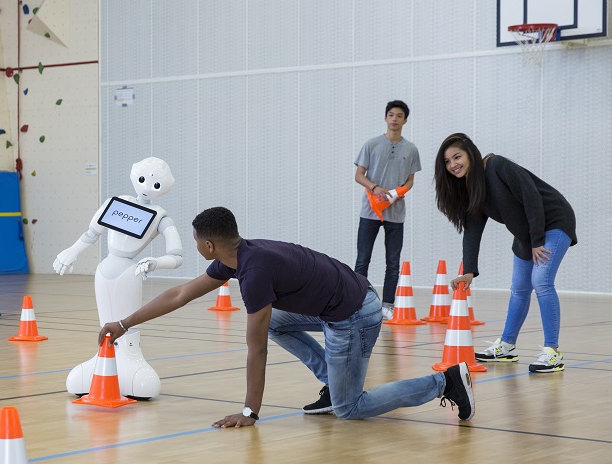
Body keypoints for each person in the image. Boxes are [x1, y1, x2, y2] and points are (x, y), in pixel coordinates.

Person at [98, 207, 474, 427]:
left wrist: (250, 410)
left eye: (197, 241)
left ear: (208, 245)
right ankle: (333, 378)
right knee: (277, 322)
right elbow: (179, 294)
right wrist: (124, 323)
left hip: (356, 315)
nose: (197, 246)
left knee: (349, 408)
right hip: (345, 301)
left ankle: (444, 383)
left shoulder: (254, 273)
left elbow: (255, 349)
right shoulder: (241, 255)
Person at [434, 133, 577, 373]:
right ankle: (507, 346)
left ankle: (552, 352)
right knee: (520, 288)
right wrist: (469, 271)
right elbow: (472, 231)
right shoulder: (472, 188)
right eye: (447, 162)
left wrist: (537, 240)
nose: (453, 165)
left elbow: (530, 195)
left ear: (471, 153)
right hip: (527, 234)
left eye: (457, 157)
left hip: (553, 221)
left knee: (541, 280)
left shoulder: (497, 165)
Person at [53, 157, 183, 399]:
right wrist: (72, 251)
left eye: (155, 184)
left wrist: (155, 262)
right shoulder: (117, 203)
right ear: (134, 175)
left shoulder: (161, 217)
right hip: (104, 270)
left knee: (126, 324)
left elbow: (176, 256)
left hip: (129, 273)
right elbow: (91, 233)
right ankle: (103, 359)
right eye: (143, 179)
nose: (146, 187)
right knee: (106, 323)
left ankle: (130, 358)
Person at [353, 100, 421, 320]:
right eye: (391, 115)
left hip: (396, 213)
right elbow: (359, 175)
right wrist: (375, 187)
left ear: (405, 120)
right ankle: (357, 301)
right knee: (363, 259)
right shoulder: (371, 144)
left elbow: (411, 181)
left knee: (393, 262)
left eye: (399, 115)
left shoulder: (411, 149)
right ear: (385, 118)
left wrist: (398, 193)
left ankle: (387, 306)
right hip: (370, 212)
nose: (394, 119)